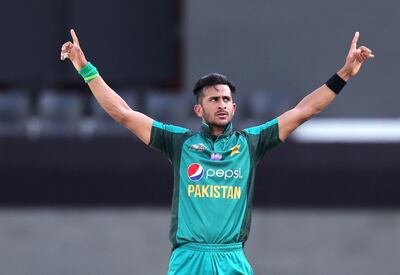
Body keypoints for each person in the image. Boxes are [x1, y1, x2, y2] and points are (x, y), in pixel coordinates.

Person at [60, 29, 374, 274]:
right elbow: (124, 114)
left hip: (231, 257)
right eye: (214, 99)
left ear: (234, 107)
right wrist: (85, 68)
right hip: (189, 258)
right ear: (199, 108)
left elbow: (304, 110)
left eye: (226, 99)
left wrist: (344, 73)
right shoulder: (179, 143)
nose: (221, 104)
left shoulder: (251, 142)